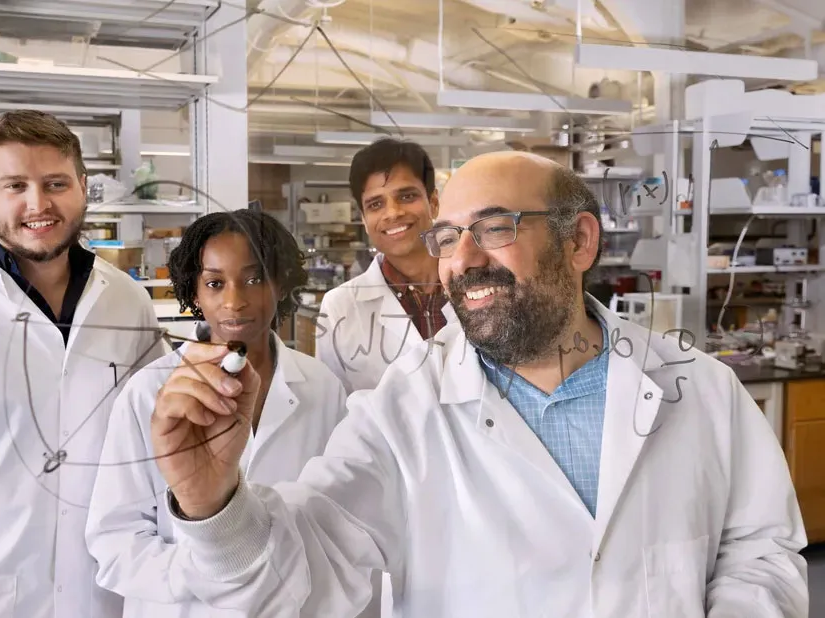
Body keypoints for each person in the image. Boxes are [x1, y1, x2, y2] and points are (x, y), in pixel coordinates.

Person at [145, 151, 809, 617]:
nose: (462, 260)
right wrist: (213, 507)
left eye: (492, 229)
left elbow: (759, 551)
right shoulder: (402, 415)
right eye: (446, 238)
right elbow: (302, 581)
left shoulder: (701, 390)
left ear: (578, 241)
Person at [0, 110, 167, 618]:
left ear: (83, 188)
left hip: (107, 593)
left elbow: (154, 454)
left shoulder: (126, 300)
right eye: (15, 186)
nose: (38, 204)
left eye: (55, 183)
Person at [85, 210, 381, 617]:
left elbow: (335, 523)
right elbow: (115, 540)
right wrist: (218, 570)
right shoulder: (150, 393)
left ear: (280, 284)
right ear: (195, 292)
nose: (234, 301)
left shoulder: (321, 386)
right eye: (215, 283)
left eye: (254, 279)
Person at [315, 138, 456, 394]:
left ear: (433, 202)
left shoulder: (474, 282)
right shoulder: (340, 306)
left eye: (407, 196)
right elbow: (335, 408)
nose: (393, 213)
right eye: (376, 204)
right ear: (364, 220)